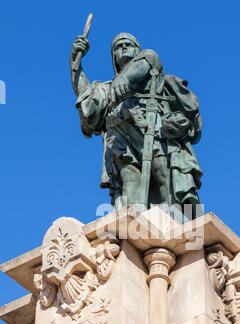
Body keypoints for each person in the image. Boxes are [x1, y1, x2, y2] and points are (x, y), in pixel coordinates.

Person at [70, 33, 203, 219]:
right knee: (130, 180)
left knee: (164, 174)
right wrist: (75, 63)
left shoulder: (148, 61)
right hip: (120, 138)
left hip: (151, 130)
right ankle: (133, 226)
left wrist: (123, 80)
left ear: (137, 50)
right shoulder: (108, 88)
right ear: (113, 57)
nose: (123, 48)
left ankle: (178, 219)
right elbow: (88, 104)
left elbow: (140, 68)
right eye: (118, 46)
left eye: (128, 44)